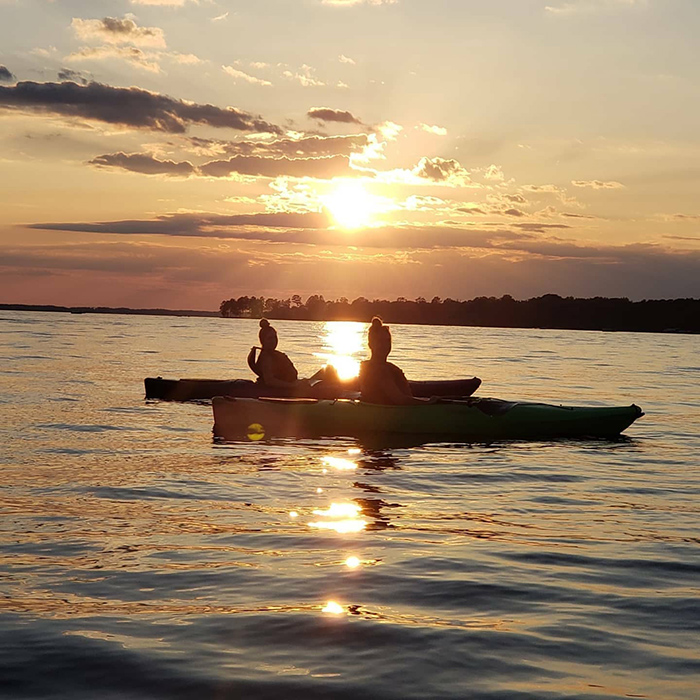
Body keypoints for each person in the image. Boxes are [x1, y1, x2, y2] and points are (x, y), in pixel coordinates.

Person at [359, 317, 434, 405]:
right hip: (388, 413)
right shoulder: (379, 371)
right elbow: (400, 400)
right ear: (370, 344)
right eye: (380, 341)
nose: (385, 345)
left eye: (387, 341)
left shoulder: (385, 367)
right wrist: (429, 403)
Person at [247, 319, 305, 389]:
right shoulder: (265, 357)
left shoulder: (275, 354)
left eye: (275, 337)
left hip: (290, 385)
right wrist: (293, 386)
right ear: (262, 340)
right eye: (270, 338)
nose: (273, 341)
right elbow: (270, 381)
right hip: (274, 391)